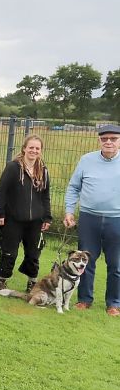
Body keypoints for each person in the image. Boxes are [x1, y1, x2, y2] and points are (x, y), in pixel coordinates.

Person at [64, 124, 120, 316]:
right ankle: (84, 300)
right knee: (85, 261)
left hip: (116, 219)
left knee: (116, 264)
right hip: (89, 218)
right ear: (99, 140)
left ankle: (114, 303)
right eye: (105, 139)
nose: (109, 142)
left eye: (113, 138)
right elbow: (73, 187)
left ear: (119, 140)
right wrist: (69, 211)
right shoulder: (86, 160)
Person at [0, 135, 51, 294]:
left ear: (41, 151)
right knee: (9, 251)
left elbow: (46, 196)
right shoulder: (13, 167)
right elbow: (1, 191)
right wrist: (0, 212)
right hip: (13, 219)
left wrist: (47, 217)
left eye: (37, 148)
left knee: (33, 254)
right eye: (31, 147)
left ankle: (32, 283)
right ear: (24, 148)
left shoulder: (43, 171)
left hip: (35, 221)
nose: (33, 151)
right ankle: (1, 281)